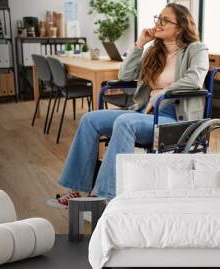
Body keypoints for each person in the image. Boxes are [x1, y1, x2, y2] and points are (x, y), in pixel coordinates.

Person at [49, 3, 209, 207]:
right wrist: (139, 44)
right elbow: (124, 75)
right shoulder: (154, 51)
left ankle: (106, 196)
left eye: (164, 20)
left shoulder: (196, 49)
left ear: (180, 27)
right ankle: (79, 189)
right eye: (157, 19)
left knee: (125, 122)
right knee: (90, 119)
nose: (158, 23)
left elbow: (194, 80)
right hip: (145, 111)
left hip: (173, 117)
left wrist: (162, 92)